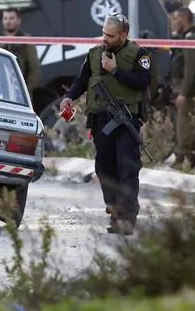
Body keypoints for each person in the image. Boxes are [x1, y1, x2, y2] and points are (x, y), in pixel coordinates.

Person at [59, 13, 151, 235]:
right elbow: (81, 81)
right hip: (101, 120)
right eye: (103, 33)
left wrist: (115, 71)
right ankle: (115, 209)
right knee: (104, 168)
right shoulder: (95, 54)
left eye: (110, 35)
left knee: (127, 168)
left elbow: (143, 82)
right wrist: (70, 96)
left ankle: (127, 218)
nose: (105, 38)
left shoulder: (138, 54)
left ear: (123, 35)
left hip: (127, 119)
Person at [169, 6, 195, 169]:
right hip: (182, 87)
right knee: (184, 124)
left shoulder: (192, 38)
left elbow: (191, 69)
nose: (174, 22)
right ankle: (189, 159)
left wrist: (183, 93)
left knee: (184, 125)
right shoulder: (184, 37)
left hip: (189, 90)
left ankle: (182, 159)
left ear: (184, 19)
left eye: (176, 19)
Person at [0, 9, 40, 102]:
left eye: (11, 18)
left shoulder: (26, 40)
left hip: (21, 91)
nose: (8, 21)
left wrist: (27, 89)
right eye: (5, 18)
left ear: (19, 20)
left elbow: (34, 68)